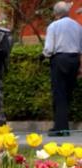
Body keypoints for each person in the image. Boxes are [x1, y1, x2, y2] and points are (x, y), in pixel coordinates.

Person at [43, 2, 82, 137]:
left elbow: (49, 49)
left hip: (60, 59)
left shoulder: (53, 26)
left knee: (59, 94)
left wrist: (43, 56)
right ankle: (61, 126)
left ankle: (61, 128)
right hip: (74, 59)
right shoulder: (77, 26)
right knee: (67, 94)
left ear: (56, 13)